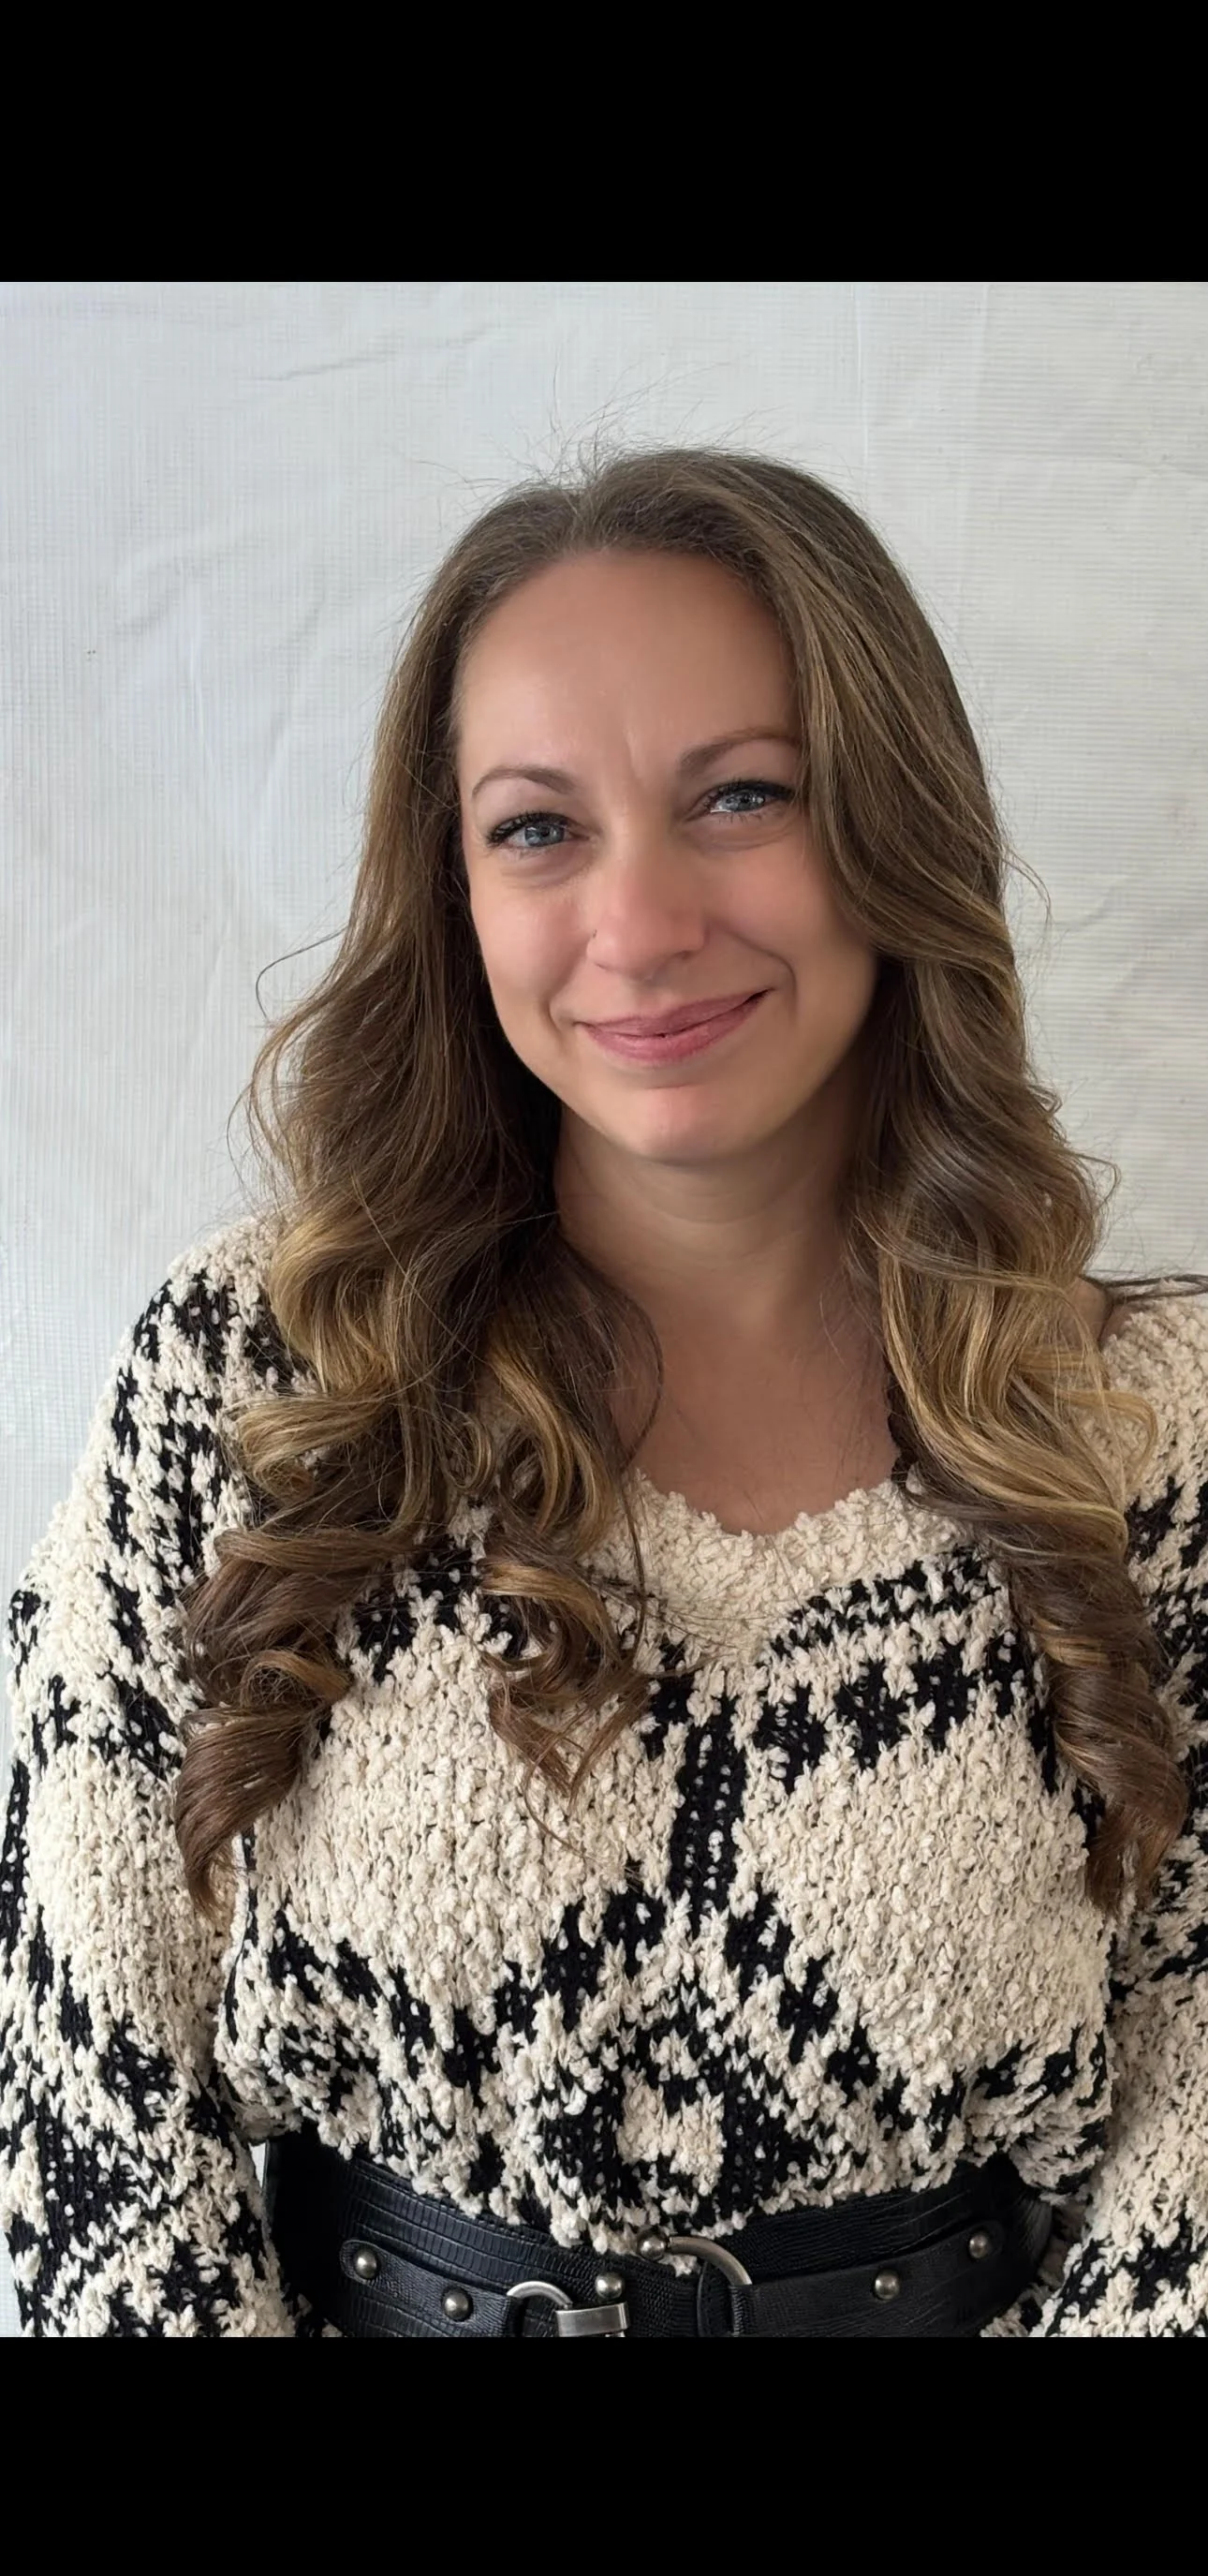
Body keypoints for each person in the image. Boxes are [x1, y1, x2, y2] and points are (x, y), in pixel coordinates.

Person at [2, 445, 1206, 2339]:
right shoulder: (251, 1382)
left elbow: (1199, 2128)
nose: (642, 927)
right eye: (539, 829)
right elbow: (86, 2096)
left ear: (892, 827)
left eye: (740, 797)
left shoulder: (1147, 1423)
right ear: (452, 889)